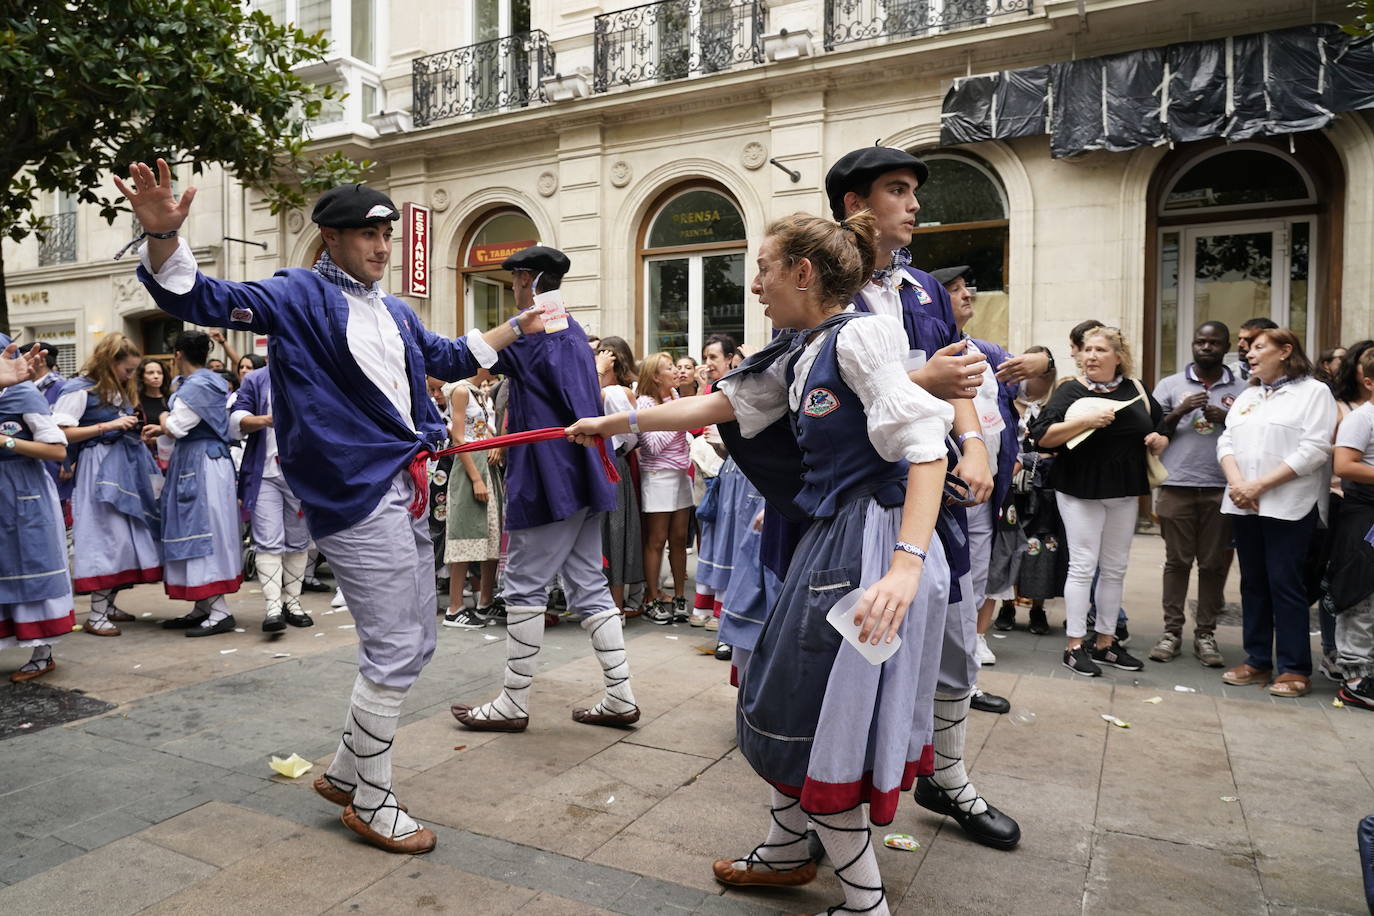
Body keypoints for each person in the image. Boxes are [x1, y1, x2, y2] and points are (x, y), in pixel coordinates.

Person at [124, 160, 540, 855]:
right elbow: (202, 297)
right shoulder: (298, 293)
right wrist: (163, 237)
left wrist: (518, 327)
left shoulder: (397, 312)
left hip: (401, 489)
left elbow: (447, 353)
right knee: (396, 646)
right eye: (367, 234)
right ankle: (373, 802)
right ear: (330, 238)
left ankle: (347, 773)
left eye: (387, 232)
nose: (382, 245)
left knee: (420, 640)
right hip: (353, 493)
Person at [571, 210, 951, 916]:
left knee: (818, 719)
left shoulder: (861, 334)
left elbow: (927, 439)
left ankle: (865, 906)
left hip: (869, 545)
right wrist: (611, 422)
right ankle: (784, 852)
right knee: (782, 698)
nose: (754, 286)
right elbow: (715, 406)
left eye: (764, 268)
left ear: (802, 273)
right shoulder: (801, 350)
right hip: (836, 540)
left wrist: (904, 566)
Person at [827, 146, 1020, 848]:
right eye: (897, 190)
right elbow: (818, 406)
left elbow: (960, 380)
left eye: (914, 191)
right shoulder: (818, 285)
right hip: (858, 501)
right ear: (855, 205)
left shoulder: (925, 291)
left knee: (951, 637)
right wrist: (925, 387)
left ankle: (949, 775)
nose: (913, 204)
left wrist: (972, 444)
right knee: (857, 645)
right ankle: (829, 799)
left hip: (937, 494)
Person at [452, 244, 639, 735]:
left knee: (525, 584)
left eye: (515, 278)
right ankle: (619, 695)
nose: (512, 287)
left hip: (549, 472)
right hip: (582, 470)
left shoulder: (532, 334)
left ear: (528, 280)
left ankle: (514, 701)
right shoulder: (574, 330)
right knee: (588, 585)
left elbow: (467, 357)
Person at [1029, 327, 1162, 677]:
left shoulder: (1136, 390)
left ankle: (1105, 642)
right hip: (1079, 489)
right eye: (1087, 350)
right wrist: (1086, 420)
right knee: (1083, 566)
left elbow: (1159, 425)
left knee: (1116, 568)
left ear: (1118, 357)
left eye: (1100, 350)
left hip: (1124, 490)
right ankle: (1074, 645)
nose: (1091, 356)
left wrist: (1159, 438)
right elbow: (1041, 436)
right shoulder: (1070, 391)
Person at [1218, 327, 1336, 698]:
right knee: (1252, 583)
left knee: (1286, 584)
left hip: (1288, 504)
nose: (1249, 354)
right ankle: (1256, 661)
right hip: (1243, 502)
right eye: (1248, 349)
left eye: (1258, 347)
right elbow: (1226, 439)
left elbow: (1315, 449)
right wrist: (1239, 483)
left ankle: (1294, 668)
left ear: (1286, 351)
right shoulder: (1249, 394)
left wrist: (1260, 486)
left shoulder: (1314, 392)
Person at [1148, 321, 1246, 668]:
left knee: (1213, 565)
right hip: (1177, 485)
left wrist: (1229, 416)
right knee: (1176, 562)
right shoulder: (1171, 384)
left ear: (1226, 346)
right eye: (1200, 342)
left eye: (1214, 343)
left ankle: (1206, 634)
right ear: (1193, 344)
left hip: (1222, 488)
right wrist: (1179, 410)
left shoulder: (1243, 387)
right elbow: (1151, 429)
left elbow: (1253, 435)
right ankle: (1171, 632)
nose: (1206, 347)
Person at [51, 333, 163, 635]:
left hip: (123, 465)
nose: (131, 375)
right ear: (109, 362)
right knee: (104, 535)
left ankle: (108, 604)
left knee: (124, 536)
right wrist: (109, 425)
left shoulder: (115, 389)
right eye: (127, 369)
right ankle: (97, 613)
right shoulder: (78, 389)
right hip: (98, 469)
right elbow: (59, 432)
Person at [138, 331, 243, 635]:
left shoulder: (194, 386)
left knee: (200, 529)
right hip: (209, 459)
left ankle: (219, 609)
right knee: (205, 528)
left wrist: (163, 421)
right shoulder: (212, 380)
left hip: (200, 463)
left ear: (179, 355)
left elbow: (176, 426)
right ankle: (204, 605)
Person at [0, 337, 73, 683]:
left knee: (33, 561)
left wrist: (7, 442)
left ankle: (43, 653)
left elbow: (57, 450)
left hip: (23, 489)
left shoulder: (23, 394)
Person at [232, 363, 313, 633]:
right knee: (268, 539)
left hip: (301, 473)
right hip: (264, 473)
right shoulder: (255, 379)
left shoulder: (311, 372)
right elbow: (237, 417)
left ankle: (293, 602)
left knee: (299, 538)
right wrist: (265, 420)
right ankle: (273, 607)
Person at [996, 346, 1058, 634]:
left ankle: (1037, 609)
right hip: (1010, 486)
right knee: (1009, 545)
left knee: (1042, 548)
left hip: (1044, 490)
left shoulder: (1056, 404)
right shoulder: (1006, 401)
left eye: (1043, 374)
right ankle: (1006, 606)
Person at [1328, 347, 1374, 710]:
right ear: (1369, 382)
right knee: (1361, 594)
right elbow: (1344, 465)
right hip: (1365, 515)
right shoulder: (1362, 418)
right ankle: (1355, 676)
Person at [440, 373, 503, 629]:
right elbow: (458, 438)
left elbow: (479, 428)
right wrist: (475, 478)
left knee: (489, 534)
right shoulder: (461, 391)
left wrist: (494, 442)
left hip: (484, 466)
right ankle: (454, 607)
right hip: (470, 468)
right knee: (464, 533)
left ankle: (485, 599)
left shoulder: (475, 391)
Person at [636, 351, 694, 623]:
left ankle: (680, 596)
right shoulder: (646, 403)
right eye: (669, 368)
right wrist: (679, 419)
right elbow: (652, 445)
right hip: (658, 476)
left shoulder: (676, 399)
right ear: (656, 376)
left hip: (681, 475)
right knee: (657, 539)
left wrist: (678, 411)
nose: (675, 371)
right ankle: (653, 596)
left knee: (680, 538)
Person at [594, 335, 645, 617]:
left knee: (614, 533)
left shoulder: (615, 393)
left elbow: (629, 435)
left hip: (611, 463)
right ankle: (605, 603)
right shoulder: (606, 390)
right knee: (602, 534)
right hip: (603, 464)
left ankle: (614, 606)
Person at [1228, 317, 1279, 382]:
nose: (1240, 344)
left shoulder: (1286, 377)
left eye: (1248, 340)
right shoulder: (1229, 373)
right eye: (1240, 339)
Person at [30, 342, 65, 407]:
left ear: (41, 362)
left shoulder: (60, 388)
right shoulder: (32, 386)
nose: (21, 363)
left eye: (26, 359)